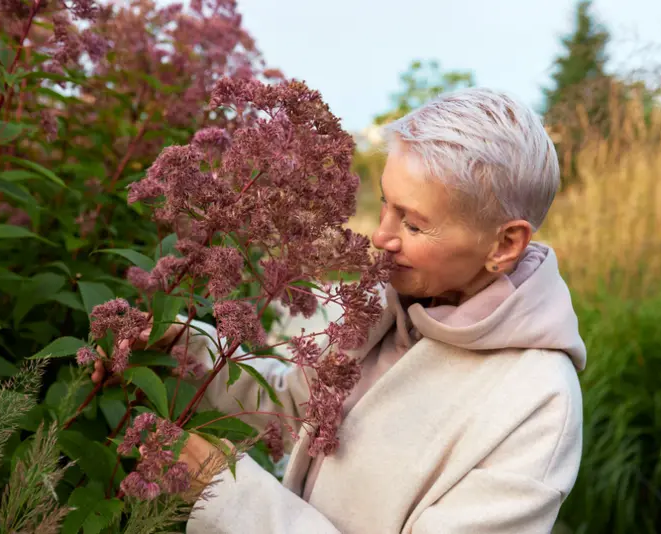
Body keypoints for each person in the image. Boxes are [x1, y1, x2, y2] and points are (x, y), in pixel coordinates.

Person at [104, 88, 587, 533]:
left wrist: (226, 495)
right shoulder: (388, 307)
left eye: (414, 225)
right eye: (385, 204)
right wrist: (186, 345)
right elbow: (294, 408)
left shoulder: (537, 402)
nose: (381, 236)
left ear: (505, 244)